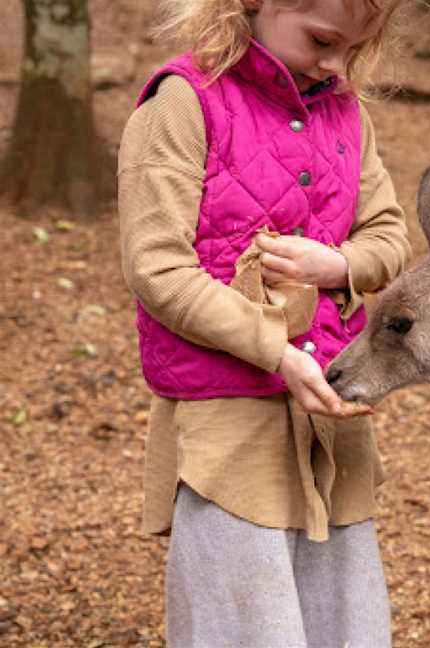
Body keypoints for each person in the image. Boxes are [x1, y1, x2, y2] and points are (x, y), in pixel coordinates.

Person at [118, 0, 413, 645]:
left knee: (345, 624)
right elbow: (159, 269)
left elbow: (391, 238)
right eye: (322, 41)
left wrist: (336, 263)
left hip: (327, 412)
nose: (336, 65)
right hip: (228, 418)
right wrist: (277, 353)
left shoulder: (345, 111)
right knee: (247, 626)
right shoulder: (181, 103)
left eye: (353, 50)